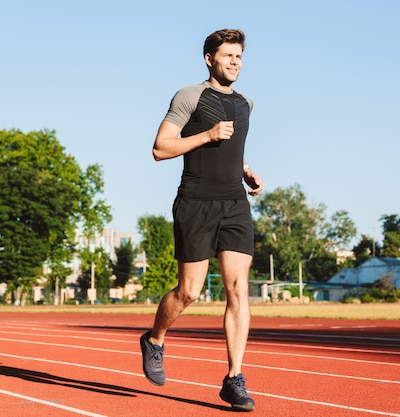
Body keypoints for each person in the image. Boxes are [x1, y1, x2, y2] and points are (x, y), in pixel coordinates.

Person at [140, 28, 262, 412]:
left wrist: (245, 171)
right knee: (189, 291)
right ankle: (155, 338)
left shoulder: (246, 103)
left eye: (239, 56)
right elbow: (161, 148)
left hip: (234, 204)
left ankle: (233, 378)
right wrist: (207, 134)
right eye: (227, 56)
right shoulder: (189, 96)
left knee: (238, 289)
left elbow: (231, 150)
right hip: (195, 202)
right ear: (209, 58)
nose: (235, 63)